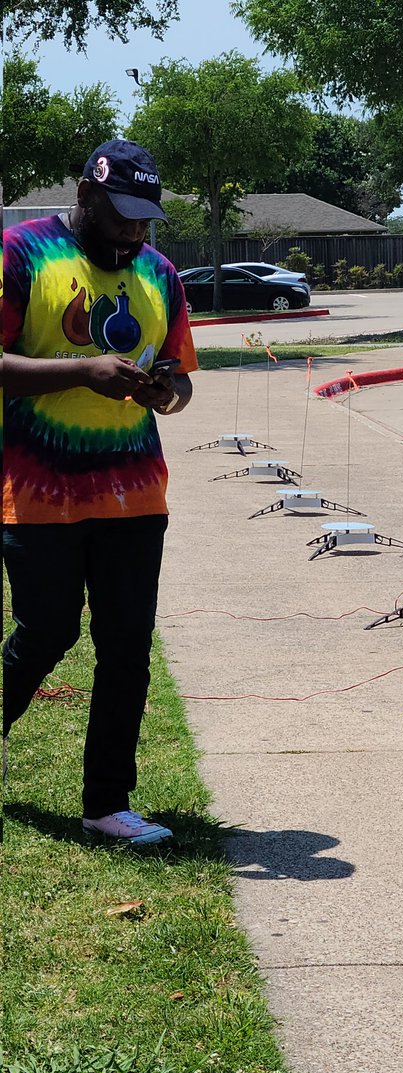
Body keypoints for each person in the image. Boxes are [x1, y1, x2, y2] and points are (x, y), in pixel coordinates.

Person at [2, 139, 198, 845]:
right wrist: (83, 369)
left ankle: (107, 803)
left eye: (145, 219)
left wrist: (164, 391)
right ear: (85, 196)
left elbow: (180, 385)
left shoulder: (160, 274)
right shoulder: (21, 253)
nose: (133, 231)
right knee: (46, 631)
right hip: (38, 489)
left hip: (134, 494)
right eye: (121, 216)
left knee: (126, 644)